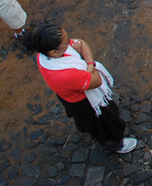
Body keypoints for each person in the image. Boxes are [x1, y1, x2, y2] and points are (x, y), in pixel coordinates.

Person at [19, 23, 137, 154]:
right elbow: (96, 80)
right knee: (104, 125)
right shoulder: (66, 75)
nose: (70, 43)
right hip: (84, 103)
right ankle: (114, 145)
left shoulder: (45, 55)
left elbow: (81, 43)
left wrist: (89, 66)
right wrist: (91, 66)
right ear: (53, 51)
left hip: (69, 97)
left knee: (93, 122)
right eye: (65, 43)